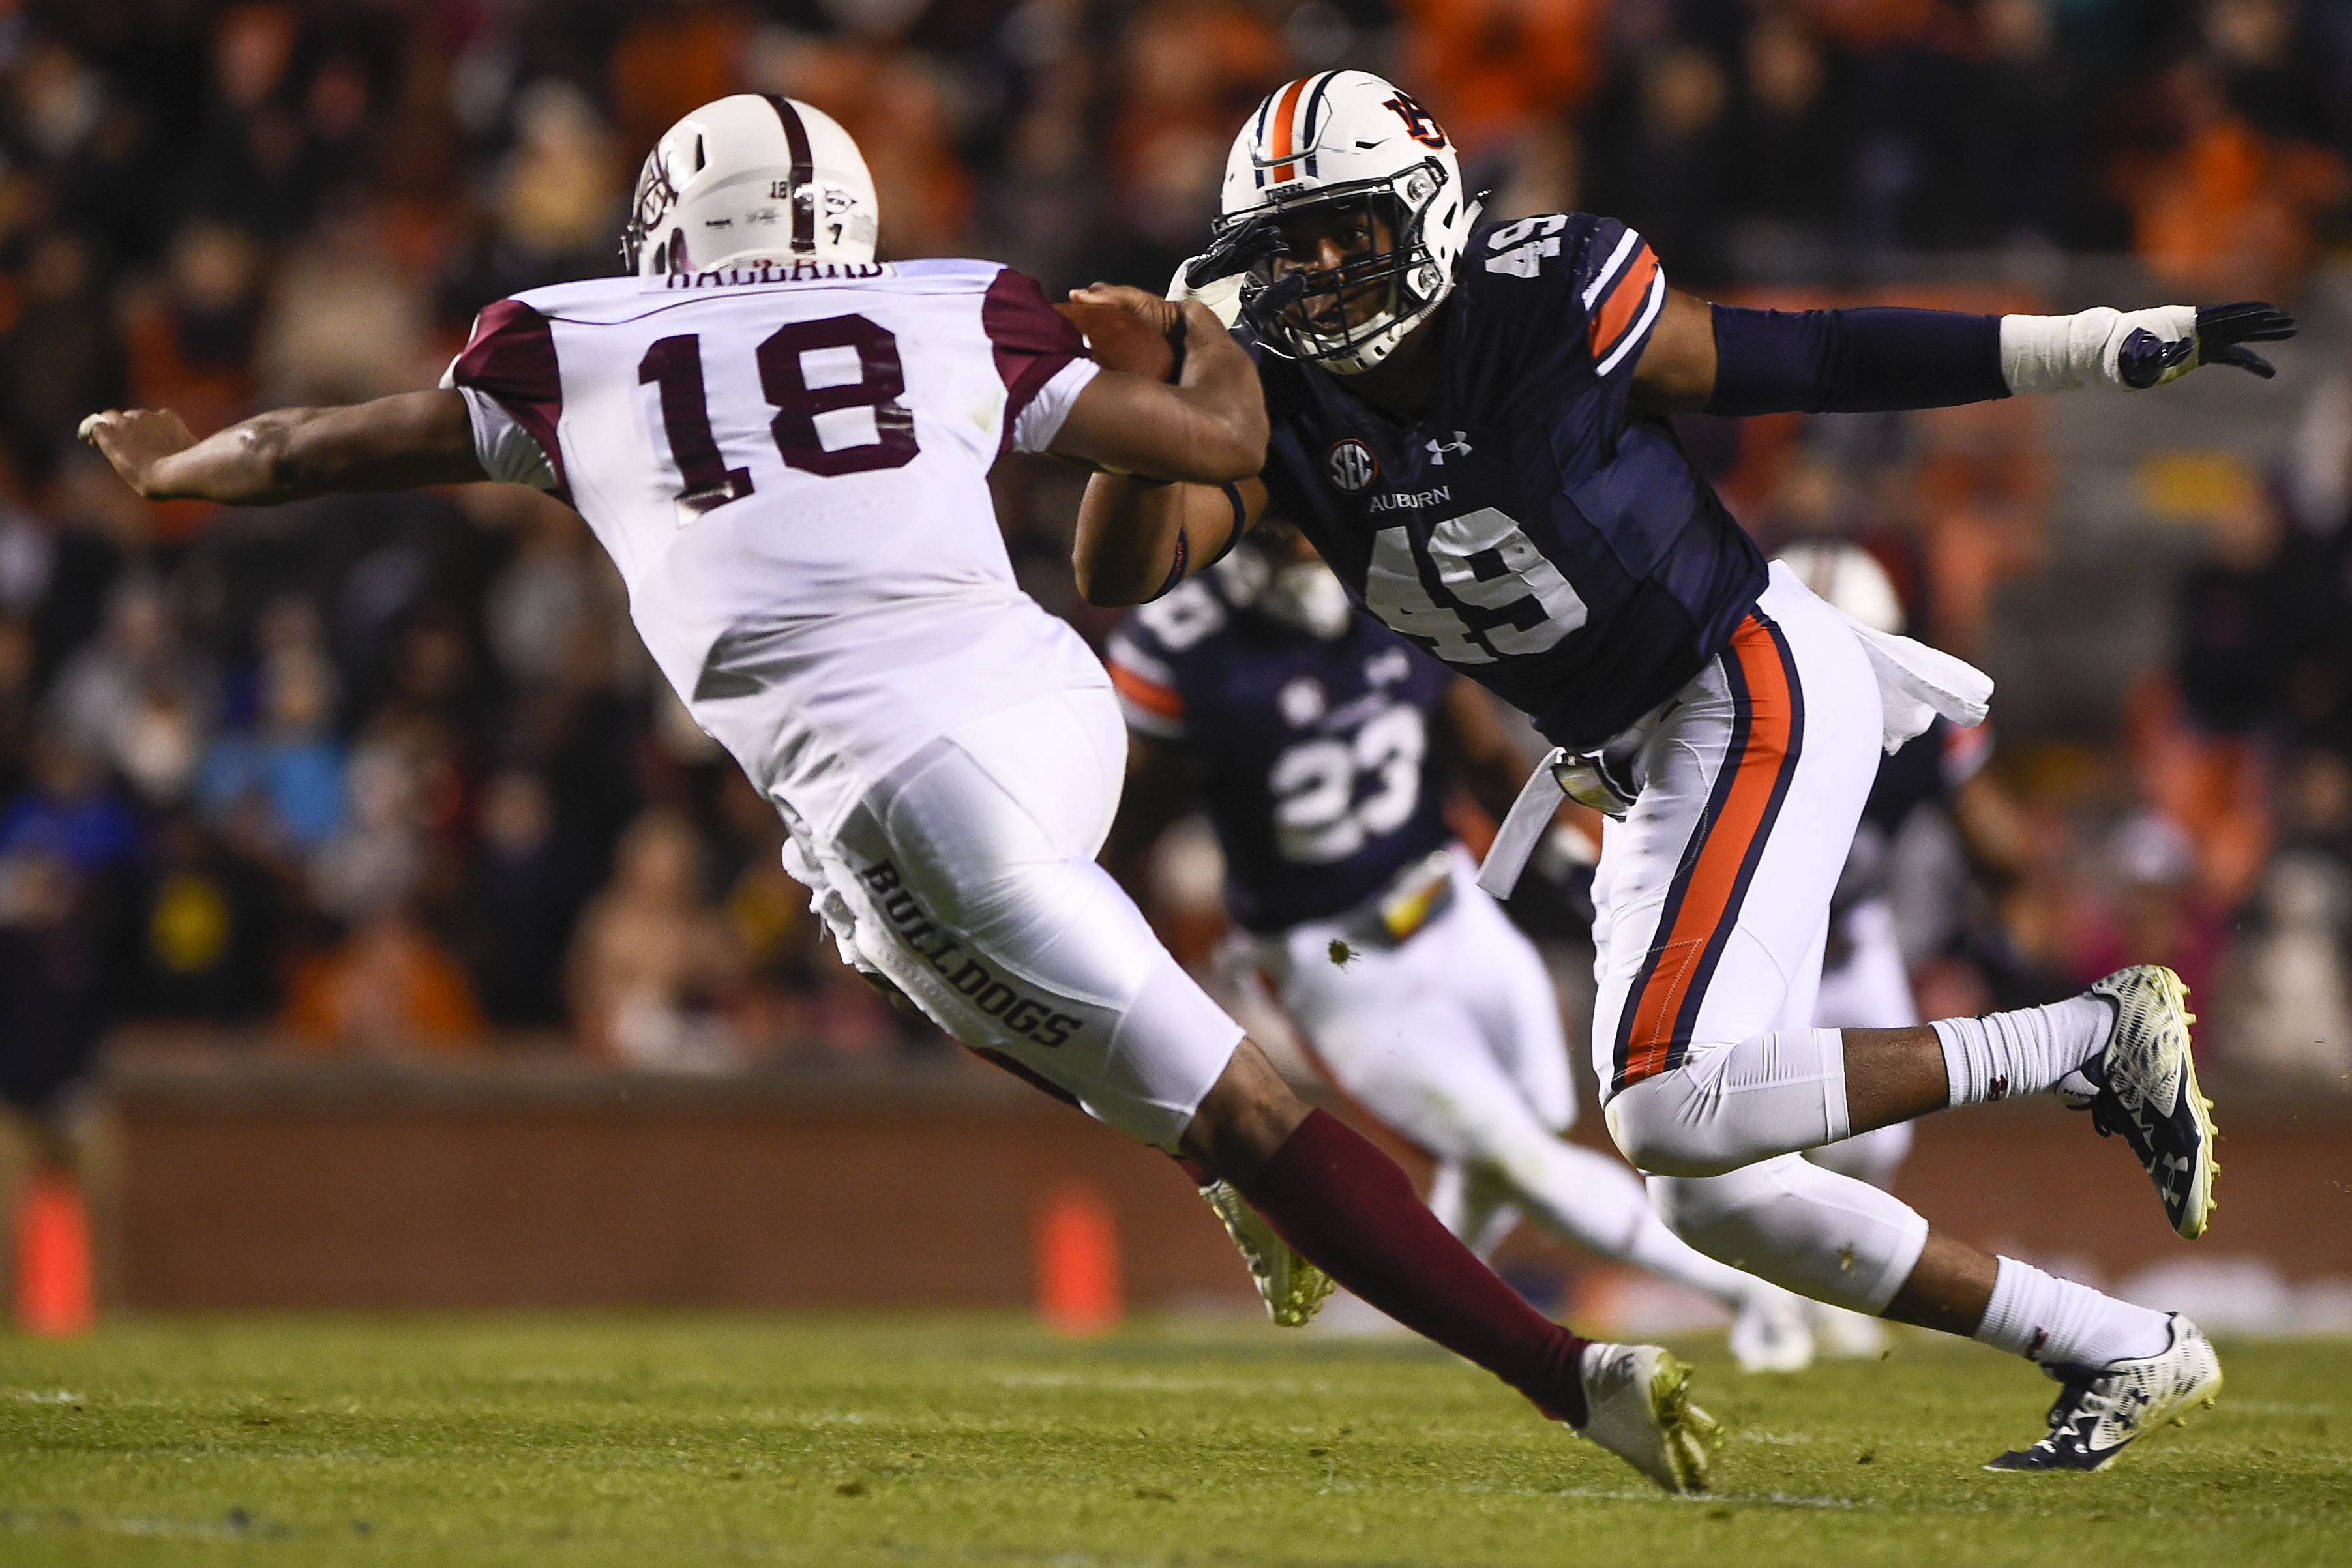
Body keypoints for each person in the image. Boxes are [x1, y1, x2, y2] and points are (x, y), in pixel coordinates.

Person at [78, 95, 1720, 1493]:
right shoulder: (957, 306)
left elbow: (309, 444)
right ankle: (1230, 1166)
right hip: (1054, 709)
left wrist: (178, 466)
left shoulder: (567, 351)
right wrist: (1201, 330)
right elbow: (1222, 448)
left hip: (906, 793)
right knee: (883, 931)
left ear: (667, 222)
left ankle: (1564, 1372)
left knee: (1222, 1099)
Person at [1074, 68, 2294, 1473]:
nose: (1320, 272)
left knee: (1665, 1095)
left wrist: (2080, 349)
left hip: (1743, 675)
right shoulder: (1268, 397)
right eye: (1289, 245)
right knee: (1708, 1193)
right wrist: (1144, 395)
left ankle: (2085, 1039)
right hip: (1640, 749)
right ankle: (2118, 1345)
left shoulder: (1547, 297)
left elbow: (1815, 356)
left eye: (1346, 231)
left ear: (1422, 211)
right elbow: (1123, 569)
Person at [1103, 521, 1816, 1370]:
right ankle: (1751, 1291)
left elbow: (1478, 749)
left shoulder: (1394, 590)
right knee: (1519, 1158)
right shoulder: (1190, 648)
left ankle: (1431, 1292)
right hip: (1333, 958)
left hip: (1453, 903)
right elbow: (1135, 820)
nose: (1304, 544)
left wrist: (1565, 855)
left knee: (1539, 1123)